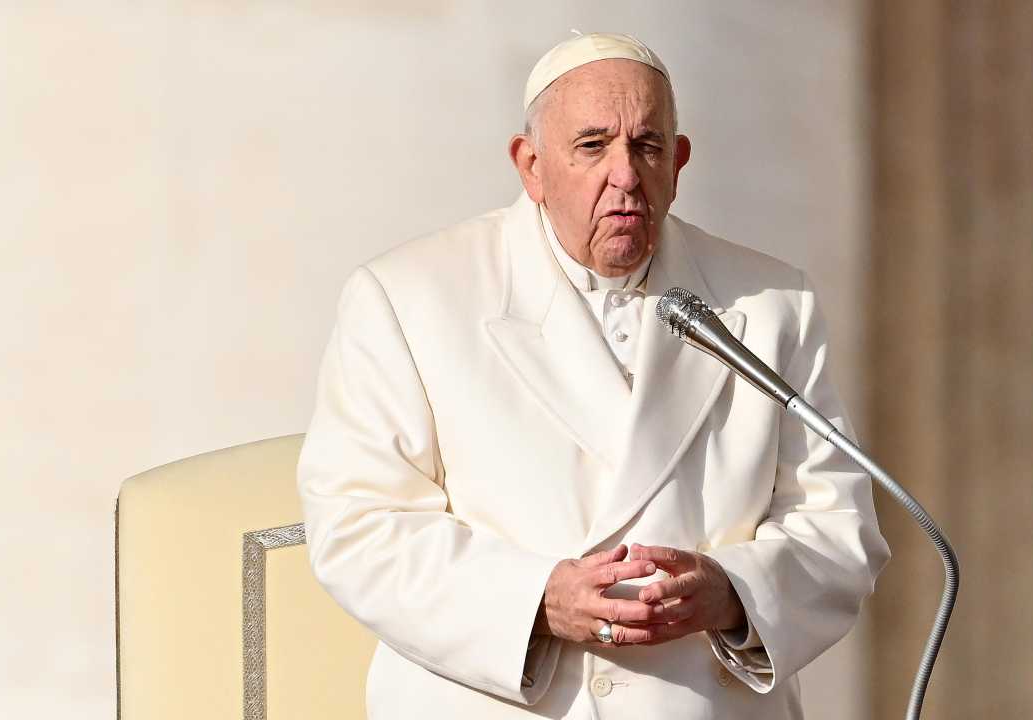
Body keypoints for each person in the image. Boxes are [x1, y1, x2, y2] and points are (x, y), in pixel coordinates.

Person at [296, 32, 889, 719]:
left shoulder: (770, 303)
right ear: (531, 166)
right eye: (592, 146)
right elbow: (357, 527)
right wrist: (538, 601)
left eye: (647, 146)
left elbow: (839, 527)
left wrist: (731, 593)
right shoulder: (409, 298)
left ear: (680, 162)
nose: (626, 176)